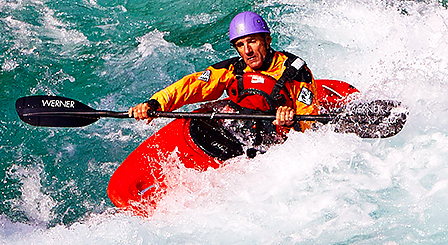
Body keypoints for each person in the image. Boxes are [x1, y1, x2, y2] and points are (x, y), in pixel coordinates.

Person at [128, 12, 319, 149]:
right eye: (240, 45)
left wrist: (289, 121)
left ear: (267, 40)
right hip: (239, 135)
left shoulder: (295, 71)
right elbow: (191, 86)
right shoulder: (233, 69)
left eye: (252, 41)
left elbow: (309, 126)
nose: (247, 51)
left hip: (279, 143)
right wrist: (155, 103)